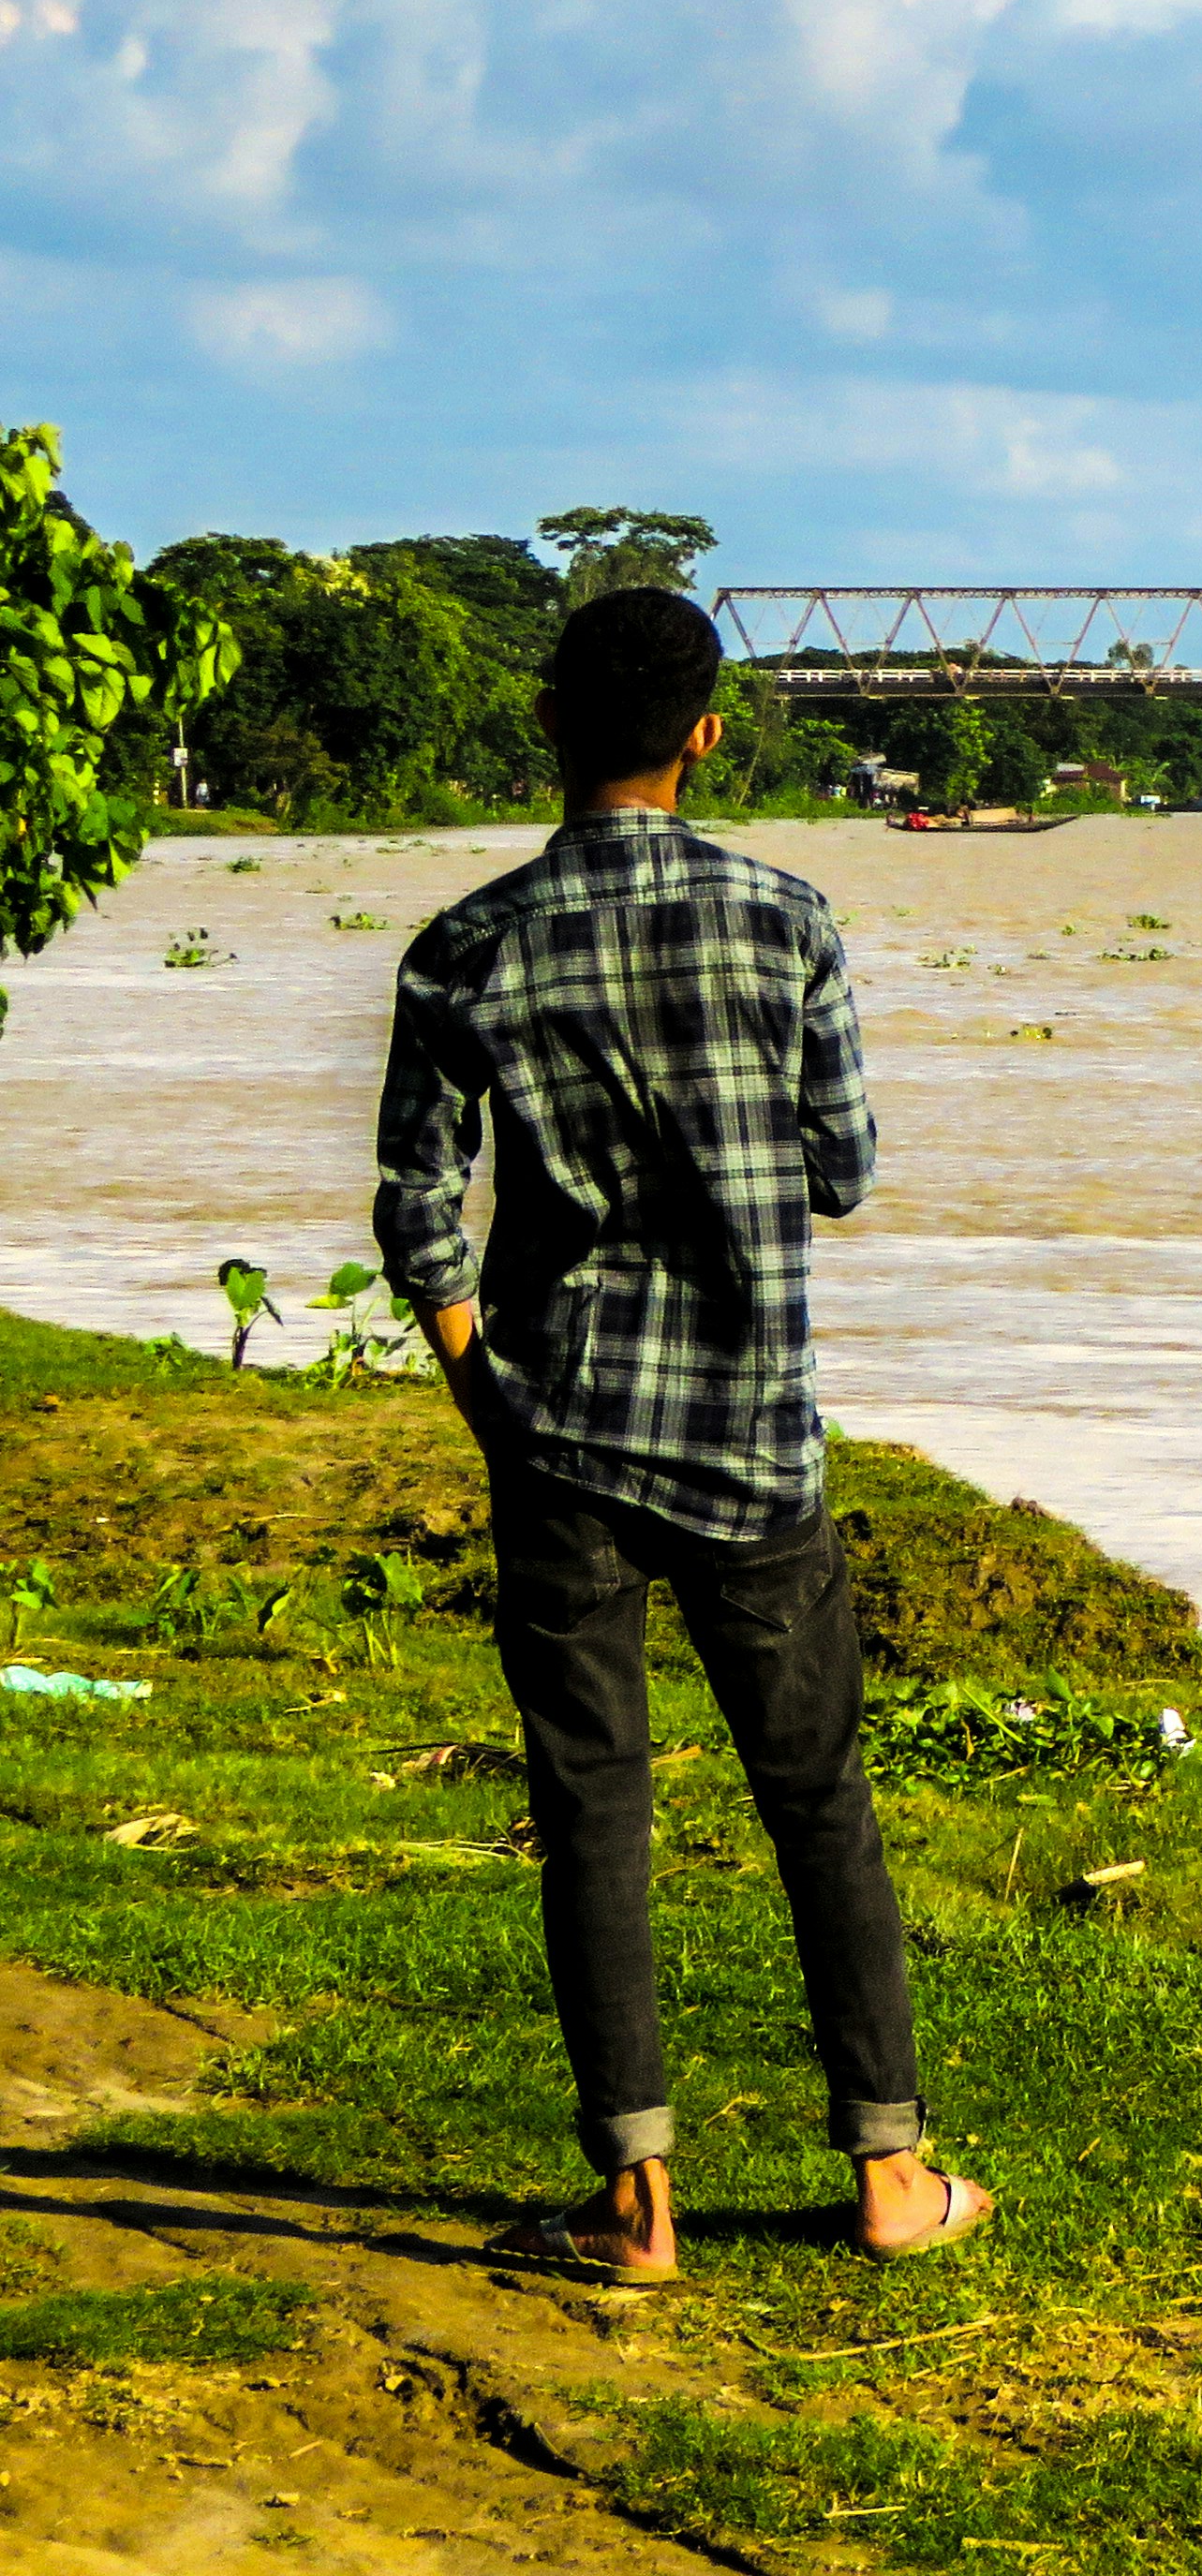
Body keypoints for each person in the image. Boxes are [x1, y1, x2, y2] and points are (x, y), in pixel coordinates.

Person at [373, 588, 988, 2280]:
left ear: (548, 723)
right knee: (819, 1799)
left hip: (559, 1431)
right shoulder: (788, 920)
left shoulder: (466, 944)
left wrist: (482, 1390)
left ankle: (637, 2207)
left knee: (592, 1804)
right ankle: (891, 2176)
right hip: (753, 1433)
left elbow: (419, 1208)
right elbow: (845, 1172)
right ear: (708, 737)